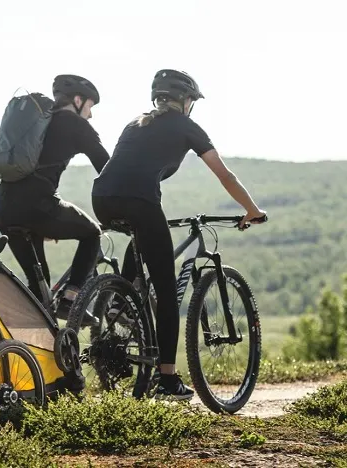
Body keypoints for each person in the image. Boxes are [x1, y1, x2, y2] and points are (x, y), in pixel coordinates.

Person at [91, 69, 267, 400]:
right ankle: (168, 381)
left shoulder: (136, 122)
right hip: (139, 202)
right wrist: (252, 210)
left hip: (101, 199)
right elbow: (225, 175)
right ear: (185, 101)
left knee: (140, 236)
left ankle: (119, 302)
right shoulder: (187, 127)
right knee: (168, 294)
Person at [0, 74, 110, 323]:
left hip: (5, 209)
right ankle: (71, 299)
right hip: (38, 207)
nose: (90, 114)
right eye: (90, 106)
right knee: (92, 233)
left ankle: (26, 352)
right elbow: (108, 169)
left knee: (40, 297)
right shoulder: (76, 125)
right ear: (78, 100)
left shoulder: (40, 121)